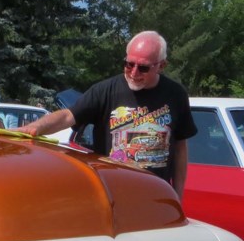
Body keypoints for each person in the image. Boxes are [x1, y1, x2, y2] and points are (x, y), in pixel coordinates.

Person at [17, 31, 196, 199]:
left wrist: (177, 194)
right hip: (113, 195)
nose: (134, 73)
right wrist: (34, 128)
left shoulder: (176, 94)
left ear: (161, 66)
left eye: (143, 68)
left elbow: (180, 147)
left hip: (156, 197)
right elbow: (67, 116)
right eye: (129, 64)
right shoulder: (105, 91)